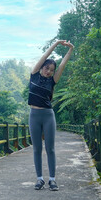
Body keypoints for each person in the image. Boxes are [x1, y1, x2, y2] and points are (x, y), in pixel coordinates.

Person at [28, 40, 74, 191]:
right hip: (34, 115)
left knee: (50, 148)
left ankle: (52, 180)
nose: (48, 71)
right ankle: (39, 179)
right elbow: (45, 55)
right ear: (42, 68)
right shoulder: (34, 75)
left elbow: (62, 65)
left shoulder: (52, 81)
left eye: (51, 70)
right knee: (36, 148)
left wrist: (70, 50)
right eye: (46, 68)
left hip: (48, 115)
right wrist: (55, 44)